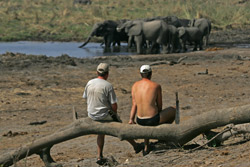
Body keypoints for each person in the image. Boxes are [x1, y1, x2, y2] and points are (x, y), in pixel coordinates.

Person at [83, 63, 142, 165]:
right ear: (107, 74)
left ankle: (99, 156)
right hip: (103, 115)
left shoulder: (89, 82)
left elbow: (85, 97)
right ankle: (135, 145)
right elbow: (114, 105)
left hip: (91, 114)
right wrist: (114, 115)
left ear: (97, 72)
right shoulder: (108, 85)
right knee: (120, 127)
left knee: (101, 133)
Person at [129, 64, 176, 156]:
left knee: (147, 122)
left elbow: (134, 104)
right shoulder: (156, 86)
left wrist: (131, 119)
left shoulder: (135, 85)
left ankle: (146, 146)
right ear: (151, 74)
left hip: (140, 120)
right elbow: (159, 105)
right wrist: (158, 113)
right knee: (173, 110)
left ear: (140, 74)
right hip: (152, 119)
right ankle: (162, 137)